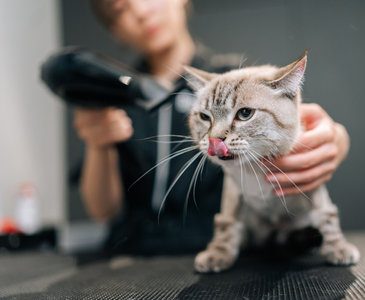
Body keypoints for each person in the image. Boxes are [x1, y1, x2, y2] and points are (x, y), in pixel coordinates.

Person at [74, 0, 350, 255]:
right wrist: (97, 143)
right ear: (115, 31)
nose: (141, 12)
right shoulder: (114, 99)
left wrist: (336, 139)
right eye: (121, 8)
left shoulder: (236, 76)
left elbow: (298, 123)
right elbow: (103, 211)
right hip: (131, 255)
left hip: (222, 251)